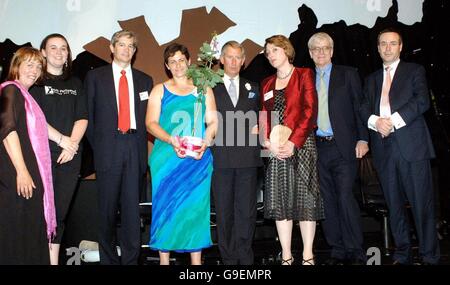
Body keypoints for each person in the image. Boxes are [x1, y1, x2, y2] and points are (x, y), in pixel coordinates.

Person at [360, 28, 440, 265]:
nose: (387, 47)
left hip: (412, 147)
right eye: (383, 43)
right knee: (394, 206)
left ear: (400, 47)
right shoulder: (371, 79)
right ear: (377, 48)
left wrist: (391, 122)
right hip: (384, 149)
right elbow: (364, 106)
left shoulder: (415, 71)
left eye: (392, 43)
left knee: (421, 204)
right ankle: (402, 253)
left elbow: (422, 101)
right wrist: (375, 122)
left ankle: (429, 255)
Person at [84, 30, 153, 265]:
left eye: (131, 46)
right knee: (107, 211)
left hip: (135, 148)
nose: (126, 49)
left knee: (132, 212)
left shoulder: (145, 80)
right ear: (112, 48)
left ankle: (132, 260)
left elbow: (149, 120)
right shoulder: (96, 77)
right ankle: (109, 260)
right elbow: (89, 120)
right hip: (108, 148)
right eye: (121, 45)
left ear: (134, 51)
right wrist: (102, 146)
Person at [146, 43, 217, 265]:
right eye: (172, 61)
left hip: (198, 159)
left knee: (195, 210)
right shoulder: (159, 90)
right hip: (167, 159)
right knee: (166, 209)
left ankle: (196, 265)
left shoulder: (204, 88)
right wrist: (170, 139)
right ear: (167, 66)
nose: (177, 65)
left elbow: (213, 121)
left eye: (181, 60)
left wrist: (206, 141)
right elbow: (150, 123)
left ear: (189, 61)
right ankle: (164, 261)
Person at [260, 35, 324, 265]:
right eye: (267, 53)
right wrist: (266, 142)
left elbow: (309, 112)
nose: (271, 55)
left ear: (286, 50)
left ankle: (308, 255)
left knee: (306, 200)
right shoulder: (266, 83)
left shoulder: (304, 74)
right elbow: (264, 117)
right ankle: (286, 255)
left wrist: (293, 142)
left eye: (274, 50)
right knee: (281, 200)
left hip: (302, 145)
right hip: (276, 148)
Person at [307, 32, 368, 265]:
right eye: (316, 49)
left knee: (345, 197)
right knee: (327, 199)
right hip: (317, 149)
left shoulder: (348, 74)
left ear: (332, 51)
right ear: (311, 54)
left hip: (345, 147)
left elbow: (360, 107)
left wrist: (363, 139)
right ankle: (337, 248)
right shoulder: (306, 79)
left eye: (325, 48)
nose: (321, 52)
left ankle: (355, 248)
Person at [30, 33, 88, 265]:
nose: (58, 52)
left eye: (63, 48)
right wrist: (61, 139)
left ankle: (53, 261)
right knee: (42, 214)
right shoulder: (35, 83)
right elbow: (35, 118)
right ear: (43, 52)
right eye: (52, 47)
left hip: (70, 156)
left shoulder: (75, 83)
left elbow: (82, 117)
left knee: (60, 214)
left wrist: (71, 145)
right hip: (41, 156)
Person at [0, 47, 56, 264]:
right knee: (16, 235)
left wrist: (65, 141)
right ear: (17, 66)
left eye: (38, 66)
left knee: (28, 232)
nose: (34, 70)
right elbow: (7, 129)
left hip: (27, 174)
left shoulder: (25, 96)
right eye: (29, 65)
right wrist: (21, 171)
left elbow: (41, 129)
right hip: (14, 176)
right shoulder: (10, 90)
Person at [211, 41, 262, 265]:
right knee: (224, 212)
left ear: (243, 61)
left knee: (246, 212)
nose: (233, 61)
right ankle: (229, 259)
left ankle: (245, 256)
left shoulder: (255, 88)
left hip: (248, 159)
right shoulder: (208, 87)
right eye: (228, 57)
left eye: (237, 57)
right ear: (221, 59)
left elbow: (264, 118)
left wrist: (263, 128)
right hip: (219, 159)